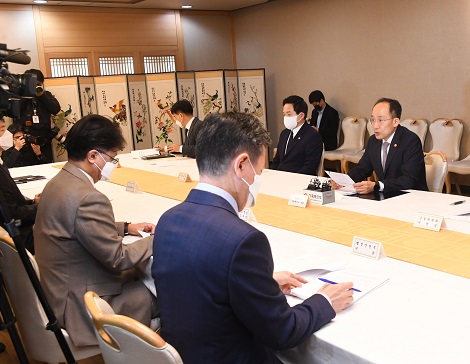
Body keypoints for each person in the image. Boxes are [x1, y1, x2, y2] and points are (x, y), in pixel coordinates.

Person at [153, 112, 354, 363]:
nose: (258, 180)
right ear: (241, 164)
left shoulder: (167, 220)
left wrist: (261, 282)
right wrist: (325, 300)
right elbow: (283, 331)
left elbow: (205, 282)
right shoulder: (243, 241)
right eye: (259, 171)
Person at [34, 114, 156, 347]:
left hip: (58, 291)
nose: (113, 165)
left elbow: (73, 224)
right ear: (93, 156)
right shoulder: (89, 197)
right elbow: (118, 258)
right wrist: (156, 241)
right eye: (112, 158)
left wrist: (126, 227)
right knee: (164, 292)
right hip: (80, 305)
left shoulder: (58, 182)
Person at [332, 98, 428, 194]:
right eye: (373, 120)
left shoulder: (410, 141)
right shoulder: (373, 141)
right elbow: (362, 169)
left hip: (412, 196)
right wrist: (342, 181)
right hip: (387, 195)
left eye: (380, 120)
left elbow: (409, 180)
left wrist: (377, 185)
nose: (375, 126)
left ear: (395, 122)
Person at [0, 114, 39, 253]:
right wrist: (40, 206)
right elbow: (13, 213)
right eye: (2, 130)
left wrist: (32, 202)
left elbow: (10, 202)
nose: (7, 135)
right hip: (19, 236)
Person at [13, 69, 61, 163]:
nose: (33, 87)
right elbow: (14, 111)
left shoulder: (46, 95)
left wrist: (42, 95)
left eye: (37, 84)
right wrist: (26, 95)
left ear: (42, 83)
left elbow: (55, 109)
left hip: (44, 141)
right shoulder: (19, 96)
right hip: (24, 142)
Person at [270, 95, 323, 175]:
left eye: (289, 114)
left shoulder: (312, 136)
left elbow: (309, 167)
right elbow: (277, 160)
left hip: (298, 180)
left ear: (301, 116)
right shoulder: (284, 133)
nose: (285, 117)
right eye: (284, 114)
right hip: (279, 177)